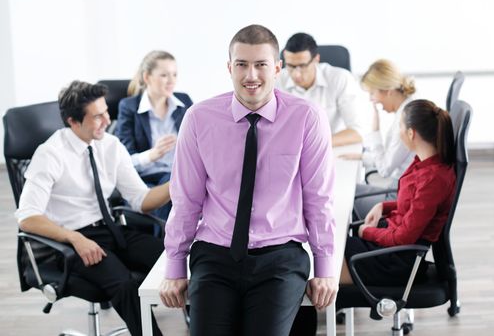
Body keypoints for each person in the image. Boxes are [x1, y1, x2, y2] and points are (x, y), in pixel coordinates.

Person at [159, 24, 338, 336]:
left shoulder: (307, 117)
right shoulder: (199, 118)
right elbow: (186, 199)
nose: (251, 75)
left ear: (277, 68)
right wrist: (175, 265)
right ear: (230, 68)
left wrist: (325, 268)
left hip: (280, 257)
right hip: (215, 254)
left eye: (261, 65)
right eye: (241, 64)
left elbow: (318, 198)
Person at [15, 81, 170, 336]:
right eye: (97, 116)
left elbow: (141, 200)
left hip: (110, 229)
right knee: (125, 286)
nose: (107, 121)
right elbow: (27, 217)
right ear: (73, 121)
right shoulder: (51, 154)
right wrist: (75, 238)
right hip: (71, 240)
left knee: (174, 259)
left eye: (106, 112)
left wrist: (177, 184)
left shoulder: (110, 146)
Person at [340, 99, 456, 287]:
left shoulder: (434, 179)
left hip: (395, 260)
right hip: (389, 245)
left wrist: (368, 232)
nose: (398, 132)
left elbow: (405, 237)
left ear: (411, 133)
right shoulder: (422, 162)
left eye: (400, 126)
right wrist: (383, 206)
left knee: (324, 260)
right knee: (326, 249)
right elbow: (414, 205)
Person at [116, 50, 193, 220]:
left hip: (180, 173)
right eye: (164, 75)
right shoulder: (128, 107)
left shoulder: (184, 102)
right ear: (147, 77)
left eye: (174, 74)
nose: (172, 81)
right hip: (148, 177)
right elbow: (123, 161)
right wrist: (152, 155)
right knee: (173, 192)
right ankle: (169, 244)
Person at [340, 59, 417, 219]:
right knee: (346, 189)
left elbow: (384, 169)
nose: (371, 99)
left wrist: (375, 128)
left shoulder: (406, 120)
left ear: (388, 90)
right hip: (399, 188)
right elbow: (391, 158)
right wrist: (364, 157)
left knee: (343, 198)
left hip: (398, 197)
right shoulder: (409, 108)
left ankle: (359, 242)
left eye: (372, 93)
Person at [276, 32, 366, 146]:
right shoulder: (276, 80)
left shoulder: (340, 78)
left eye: (302, 66)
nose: (296, 74)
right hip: (291, 149)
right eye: (290, 66)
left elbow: (357, 132)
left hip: (333, 147)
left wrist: (312, 145)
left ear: (316, 59)